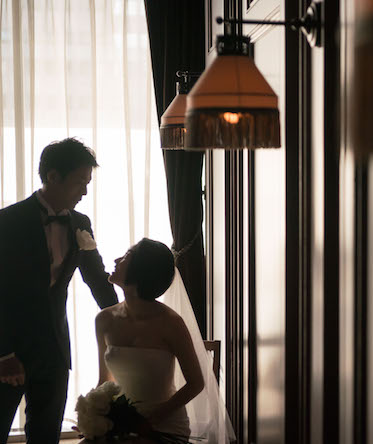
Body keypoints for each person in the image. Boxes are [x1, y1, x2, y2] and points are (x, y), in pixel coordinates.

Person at [0, 138, 119, 443]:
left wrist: (123, 318)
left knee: (46, 435)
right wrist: (4, 353)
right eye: (80, 182)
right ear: (53, 176)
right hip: (8, 350)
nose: (85, 192)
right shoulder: (7, 222)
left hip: (54, 351)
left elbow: (97, 279)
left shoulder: (81, 223)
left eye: (88, 183)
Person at [94, 238, 235, 443]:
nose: (116, 260)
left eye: (126, 256)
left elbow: (196, 383)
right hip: (122, 424)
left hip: (164, 425)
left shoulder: (171, 323)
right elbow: (105, 381)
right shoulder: (104, 320)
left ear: (142, 270)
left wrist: (151, 419)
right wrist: (93, 415)